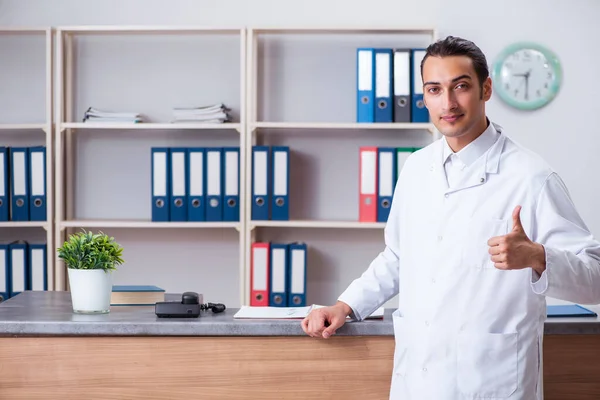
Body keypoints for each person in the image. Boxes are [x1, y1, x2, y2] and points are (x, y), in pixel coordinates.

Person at [301, 35, 600, 399]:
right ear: (424, 97)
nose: (448, 103)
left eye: (461, 86)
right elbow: (397, 257)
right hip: (418, 381)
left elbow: (595, 279)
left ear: (485, 89)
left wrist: (538, 257)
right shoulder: (416, 168)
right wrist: (345, 305)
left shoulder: (531, 176)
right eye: (434, 89)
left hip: (492, 382)